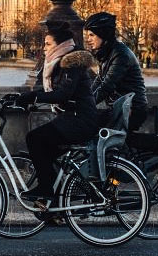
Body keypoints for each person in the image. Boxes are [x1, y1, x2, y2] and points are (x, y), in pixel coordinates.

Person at [14, 21, 97, 203]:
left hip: (80, 120)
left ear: (60, 45)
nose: (44, 48)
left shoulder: (71, 62)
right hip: (72, 118)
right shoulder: (61, 61)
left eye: (48, 44)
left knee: (34, 139)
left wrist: (32, 97)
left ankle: (46, 189)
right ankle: (55, 200)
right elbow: (53, 92)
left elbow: (63, 94)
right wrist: (20, 97)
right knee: (44, 155)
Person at [83, 12, 148, 131]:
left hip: (132, 111)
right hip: (120, 108)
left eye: (92, 35)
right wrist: (84, 99)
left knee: (87, 126)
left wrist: (84, 105)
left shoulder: (120, 54)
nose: (88, 40)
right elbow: (98, 82)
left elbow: (107, 86)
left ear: (103, 34)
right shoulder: (107, 53)